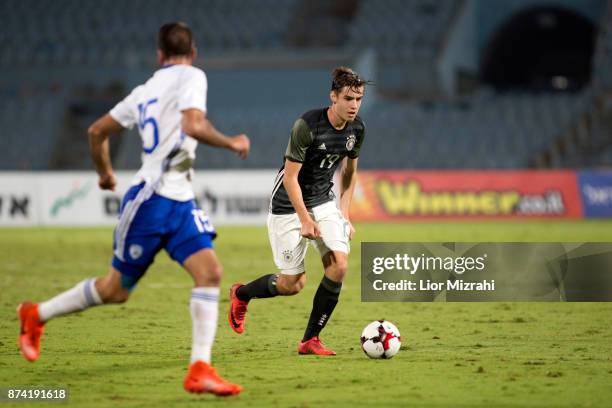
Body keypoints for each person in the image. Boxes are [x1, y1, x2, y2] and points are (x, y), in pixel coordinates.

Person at [17, 22, 249, 396]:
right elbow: (193, 123)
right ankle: (36, 314)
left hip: (179, 200)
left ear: (159, 55)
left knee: (210, 272)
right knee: (115, 290)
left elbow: (96, 131)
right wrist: (231, 141)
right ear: (193, 53)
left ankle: (200, 369)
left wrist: (105, 174)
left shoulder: (143, 91)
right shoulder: (193, 75)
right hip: (151, 200)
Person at [228, 66, 366, 355]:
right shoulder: (307, 125)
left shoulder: (357, 129)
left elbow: (350, 173)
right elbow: (290, 178)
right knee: (293, 284)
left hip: (323, 201)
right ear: (333, 97)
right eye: (349, 98)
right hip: (287, 206)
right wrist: (304, 219)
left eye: (359, 99)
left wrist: (344, 213)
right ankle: (241, 294)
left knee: (339, 266)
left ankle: (310, 340)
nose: (354, 105)